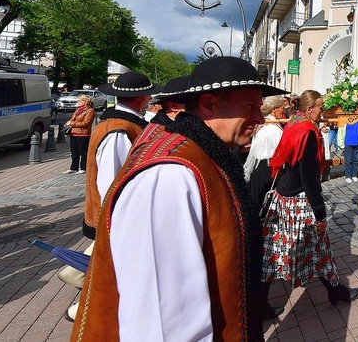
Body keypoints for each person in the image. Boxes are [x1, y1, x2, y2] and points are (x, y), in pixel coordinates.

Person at [72, 57, 287, 341]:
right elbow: (162, 323)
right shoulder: (170, 174)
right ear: (209, 105)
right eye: (250, 106)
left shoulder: (200, 156)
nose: (260, 118)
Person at [62, 71, 161, 323]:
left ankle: (80, 287)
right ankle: (83, 307)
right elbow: (112, 180)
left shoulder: (126, 124)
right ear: (143, 97)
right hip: (115, 213)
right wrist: (120, 217)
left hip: (117, 213)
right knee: (112, 269)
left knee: (112, 267)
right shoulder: (118, 130)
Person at [262, 90, 358, 307]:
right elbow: (309, 179)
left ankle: (260, 301)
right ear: (310, 109)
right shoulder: (308, 133)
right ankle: (337, 292)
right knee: (319, 248)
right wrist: (320, 213)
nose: (322, 112)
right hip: (298, 200)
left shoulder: (293, 123)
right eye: (320, 108)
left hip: (283, 195)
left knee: (275, 249)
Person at [243, 95, 285, 211]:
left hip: (261, 171)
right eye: (282, 108)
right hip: (268, 172)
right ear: (274, 110)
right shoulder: (271, 129)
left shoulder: (264, 125)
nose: (284, 111)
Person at [62, 94, 96, 174]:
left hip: (83, 134)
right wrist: (69, 122)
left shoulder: (90, 111)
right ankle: (73, 167)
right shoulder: (78, 109)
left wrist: (72, 124)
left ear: (86, 101)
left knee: (83, 152)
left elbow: (86, 123)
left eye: (80, 100)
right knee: (74, 152)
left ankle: (83, 167)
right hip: (74, 132)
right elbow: (72, 118)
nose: (78, 102)